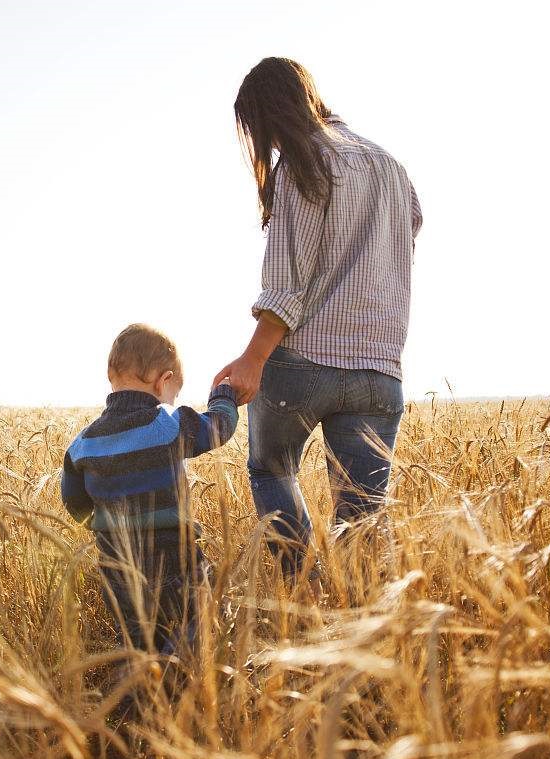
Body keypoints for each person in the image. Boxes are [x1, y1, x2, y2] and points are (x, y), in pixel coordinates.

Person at [212, 57, 423, 578]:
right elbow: (413, 224)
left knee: (270, 467)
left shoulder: (302, 163)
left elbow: (287, 283)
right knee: (365, 517)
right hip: (379, 368)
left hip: (304, 362)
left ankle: (300, 586)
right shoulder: (390, 166)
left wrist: (253, 359)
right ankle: (358, 619)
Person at [61, 323, 239, 657]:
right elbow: (218, 428)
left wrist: (105, 525)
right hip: (173, 557)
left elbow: (73, 500)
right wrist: (224, 398)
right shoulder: (168, 423)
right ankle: (177, 676)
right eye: (175, 393)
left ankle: (142, 689)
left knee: (139, 643)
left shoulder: (83, 443)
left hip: (114, 563)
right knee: (206, 614)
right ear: (163, 381)